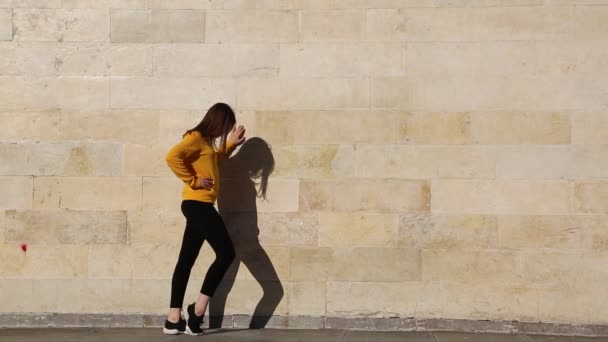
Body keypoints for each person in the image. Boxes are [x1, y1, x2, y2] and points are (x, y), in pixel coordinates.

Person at [162, 102, 246, 335]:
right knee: (226, 253)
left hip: (200, 205)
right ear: (217, 121)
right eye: (225, 127)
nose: (223, 132)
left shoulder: (206, 143)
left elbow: (213, 159)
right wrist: (193, 180)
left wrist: (229, 145)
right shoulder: (196, 137)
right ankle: (197, 311)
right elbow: (172, 157)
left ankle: (173, 319)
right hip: (197, 205)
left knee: (186, 260)